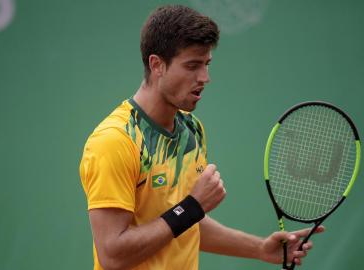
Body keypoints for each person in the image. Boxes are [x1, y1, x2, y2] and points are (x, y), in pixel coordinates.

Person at [79, 5, 324, 270]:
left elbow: (182, 224)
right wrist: (193, 206)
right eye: (192, 66)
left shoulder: (191, 129)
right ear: (157, 64)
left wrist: (259, 248)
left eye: (206, 64)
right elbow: (113, 254)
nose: (205, 78)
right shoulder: (115, 141)